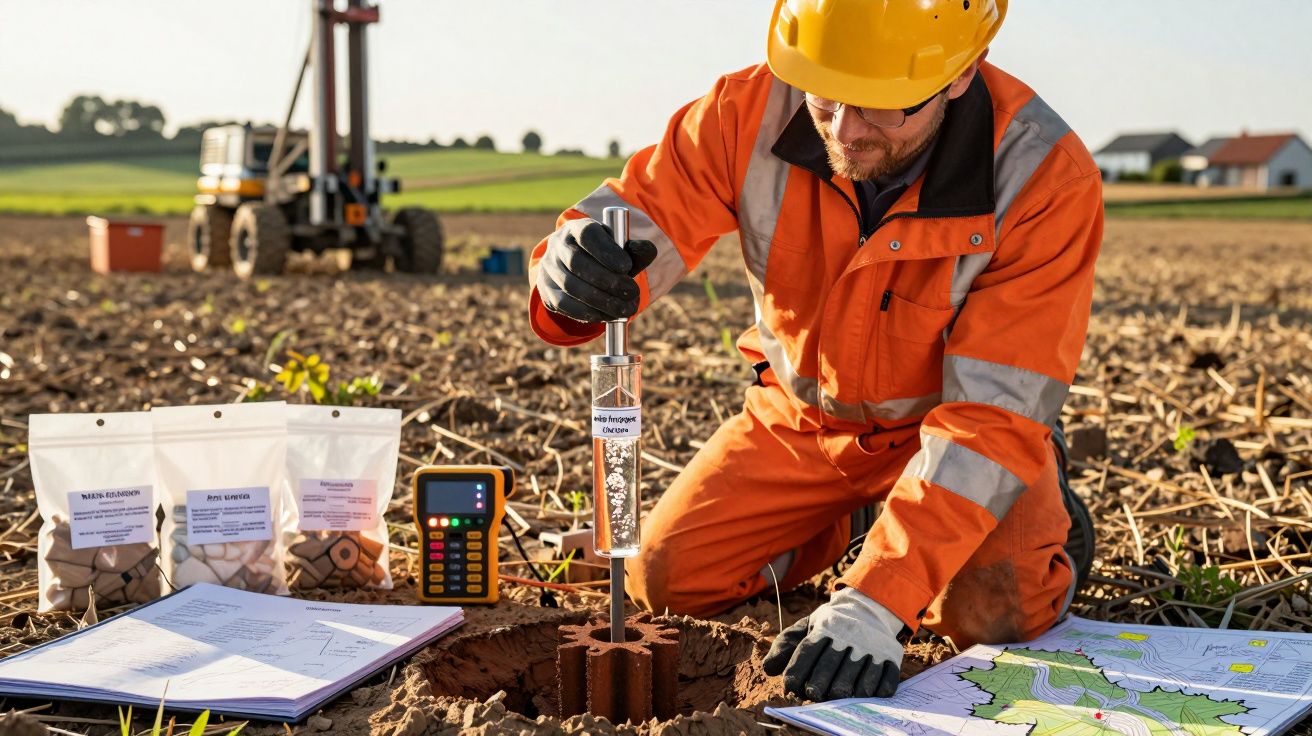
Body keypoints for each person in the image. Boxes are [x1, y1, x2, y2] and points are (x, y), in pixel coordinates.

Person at [526, 0, 1101, 702]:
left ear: (960, 76)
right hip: (803, 426)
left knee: (992, 616)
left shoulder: (1042, 175)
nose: (845, 129)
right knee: (670, 579)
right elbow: (635, 216)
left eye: (884, 106)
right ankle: (858, 520)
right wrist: (567, 271)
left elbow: (992, 415)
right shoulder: (747, 111)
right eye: (825, 97)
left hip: (957, 435)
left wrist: (878, 600)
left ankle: (1052, 527)